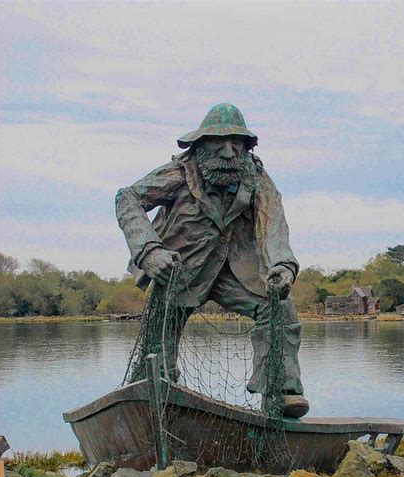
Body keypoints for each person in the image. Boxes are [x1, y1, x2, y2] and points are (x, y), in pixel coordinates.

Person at [116, 103, 309, 418]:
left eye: (236, 144)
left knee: (279, 307)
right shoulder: (178, 172)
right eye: (219, 143)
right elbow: (127, 198)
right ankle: (154, 398)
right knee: (159, 338)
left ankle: (282, 393)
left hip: (236, 272)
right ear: (201, 145)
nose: (228, 152)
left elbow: (272, 224)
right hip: (181, 271)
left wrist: (282, 266)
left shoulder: (256, 177)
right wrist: (150, 251)